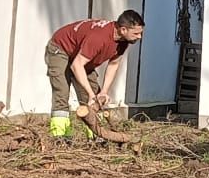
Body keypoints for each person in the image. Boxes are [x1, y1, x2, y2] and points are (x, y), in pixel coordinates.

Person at [45, 9, 144, 137]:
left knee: (95, 99)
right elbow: (77, 65)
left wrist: (103, 92)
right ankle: (60, 136)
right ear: (123, 30)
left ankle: (97, 136)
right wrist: (91, 94)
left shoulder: (123, 42)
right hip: (61, 49)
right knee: (62, 92)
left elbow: (114, 64)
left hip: (81, 57)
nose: (139, 37)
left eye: (140, 33)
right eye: (136, 33)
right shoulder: (99, 38)